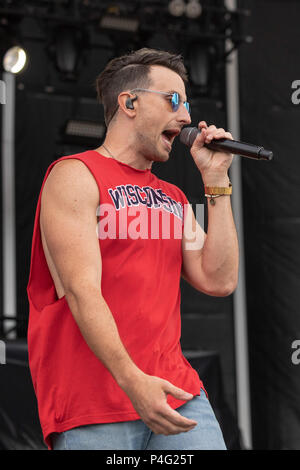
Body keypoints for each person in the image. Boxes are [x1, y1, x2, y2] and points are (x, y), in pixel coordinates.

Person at [27, 48, 239, 451]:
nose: (187, 117)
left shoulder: (173, 198)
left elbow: (220, 279)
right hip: (94, 404)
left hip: (178, 394)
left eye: (187, 104)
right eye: (173, 100)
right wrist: (133, 381)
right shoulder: (75, 175)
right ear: (129, 102)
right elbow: (82, 290)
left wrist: (215, 182)